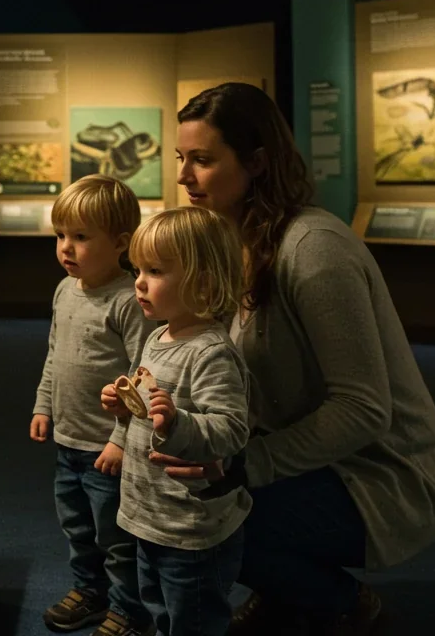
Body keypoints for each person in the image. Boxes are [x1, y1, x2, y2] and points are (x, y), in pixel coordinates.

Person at [152, 82, 435, 636]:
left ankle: (340, 600)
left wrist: (246, 466)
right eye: (181, 158)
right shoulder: (231, 240)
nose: (183, 176)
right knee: (169, 488)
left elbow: (363, 410)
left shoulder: (314, 250)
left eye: (202, 160)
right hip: (308, 459)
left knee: (205, 513)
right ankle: (286, 589)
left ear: (258, 161)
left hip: (378, 477)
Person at [100, 206, 252, 636]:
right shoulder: (157, 335)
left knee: (194, 619)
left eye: (155, 271)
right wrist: (121, 408)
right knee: (160, 608)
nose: (139, 282)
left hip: (190, 527)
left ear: (202, 283)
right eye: (137, 269)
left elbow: (230, 429)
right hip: (151, 514)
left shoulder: (211, 353)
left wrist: (179, 423)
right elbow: (143, 402)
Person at [31, 174, 153, 636]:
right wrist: (44, 406)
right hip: (69, 442)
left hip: (109, 449)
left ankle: (128, 611)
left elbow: (142, 377)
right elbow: (54, 354)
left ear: (121, 242)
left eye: (81, 237)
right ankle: (90, 592)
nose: (66, 247)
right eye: (60, 235)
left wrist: (121, 439)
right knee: (78, 530)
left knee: (117, 538)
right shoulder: (65, 291)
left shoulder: (129, 300)